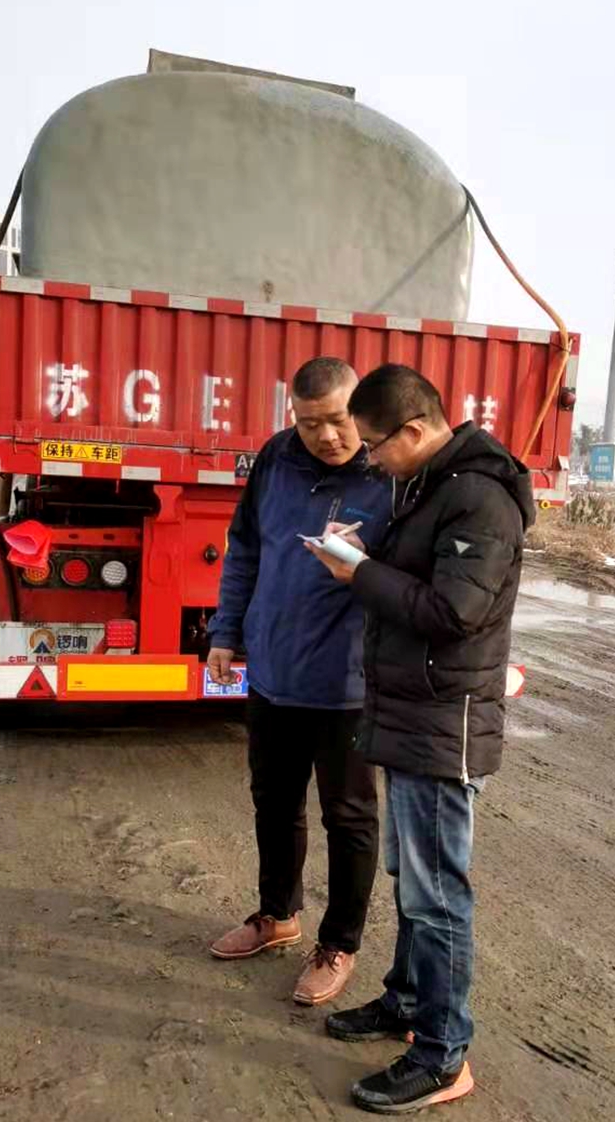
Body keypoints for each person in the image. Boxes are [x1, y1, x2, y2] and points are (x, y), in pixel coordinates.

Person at [306, 363, 535, 1113]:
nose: (369, 459)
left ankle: (443, 1054)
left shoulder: (480, 496)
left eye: (375, 444)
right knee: (412, 882)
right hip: (411, 713)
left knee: (438, 896)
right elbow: (416, 571)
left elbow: (452, 613)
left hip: (444, 721)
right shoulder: (428, 483)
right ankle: (406, 1001)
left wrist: (360, 573)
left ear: (413, 429)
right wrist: (361, 551)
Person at [207, 356, 391, 1006]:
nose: (326, 436)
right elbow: (246, 549)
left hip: (347, 684)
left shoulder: (387, 473)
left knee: (349, 817)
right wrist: (226, 631)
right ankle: (277, 914)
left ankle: (339, 943)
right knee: (275, 801)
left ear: (359, 411)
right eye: (310, 423)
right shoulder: (276, 459)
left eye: (337, 420)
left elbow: (411, 577)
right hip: (274, 671)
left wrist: (368, 564)